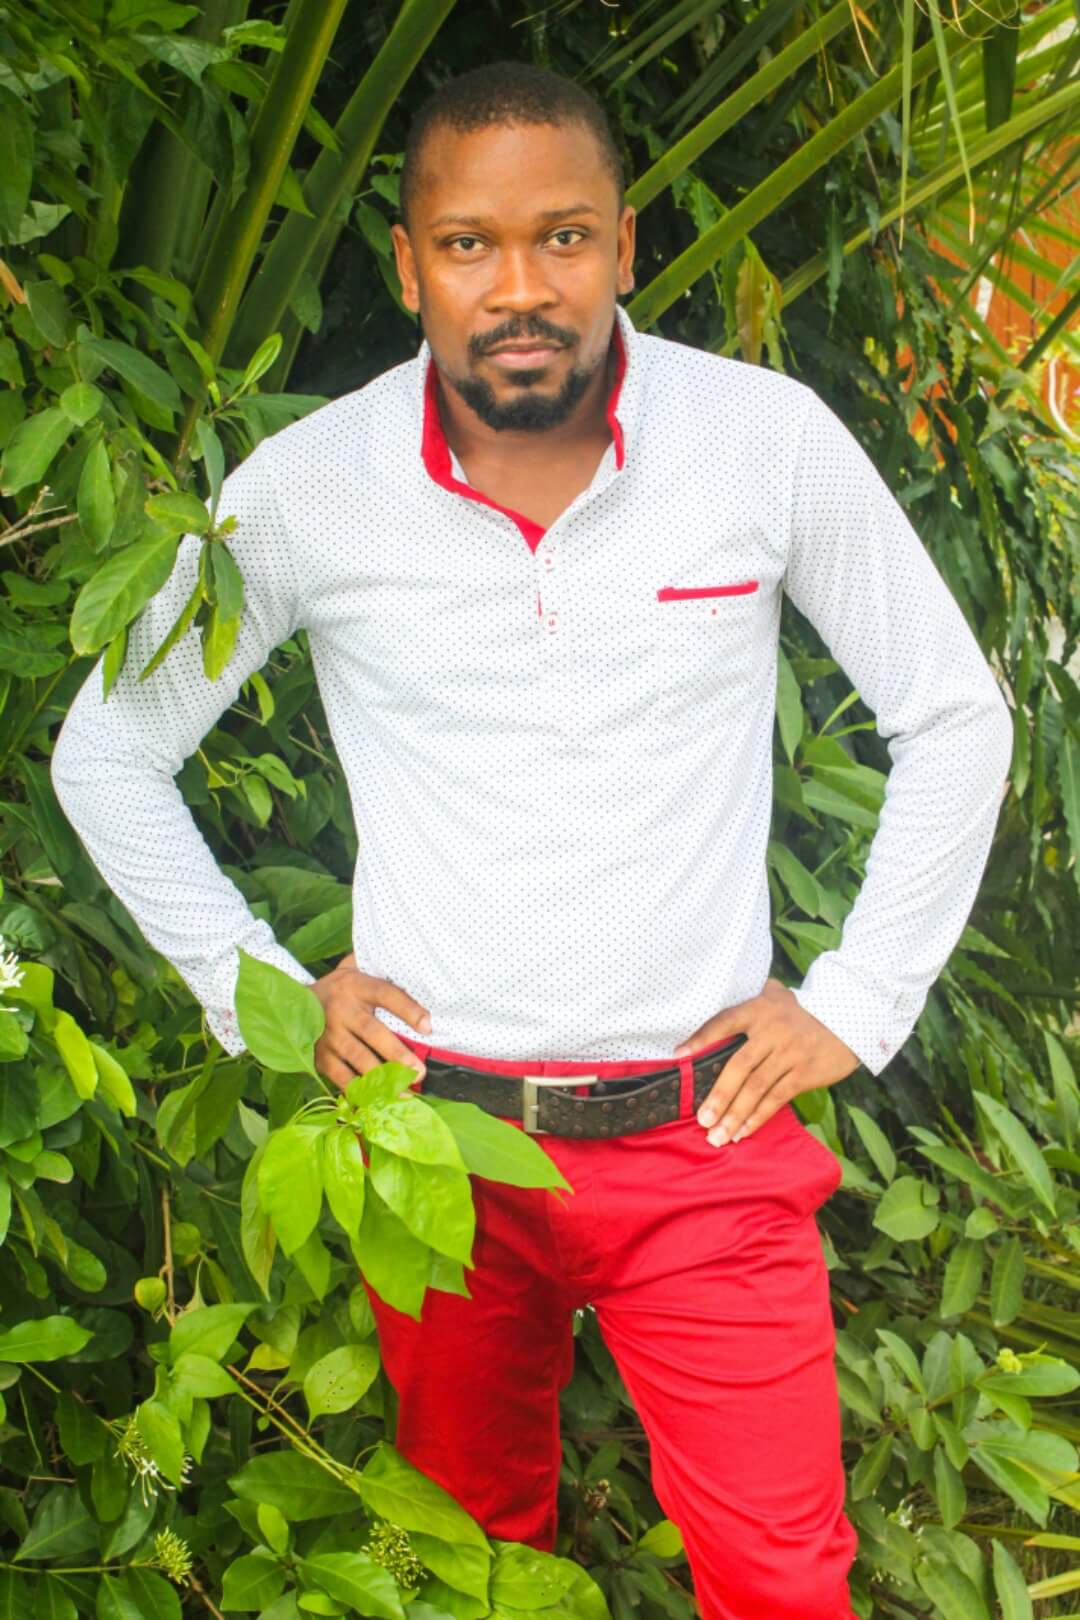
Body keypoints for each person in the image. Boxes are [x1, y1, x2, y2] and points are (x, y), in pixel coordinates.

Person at [51, 60, 1013, 1620]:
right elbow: (109, 748)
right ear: (408, 263)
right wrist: (260, 993)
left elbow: (956, 714)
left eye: (562, 237)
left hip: (702, 1137)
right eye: (469, 244)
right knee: (470, 1564)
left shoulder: (760, 440)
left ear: (624, 246)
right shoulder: (310, 489)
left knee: (782, 1579)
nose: (519, 287)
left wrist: (857, 1000)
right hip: (434, 1137)